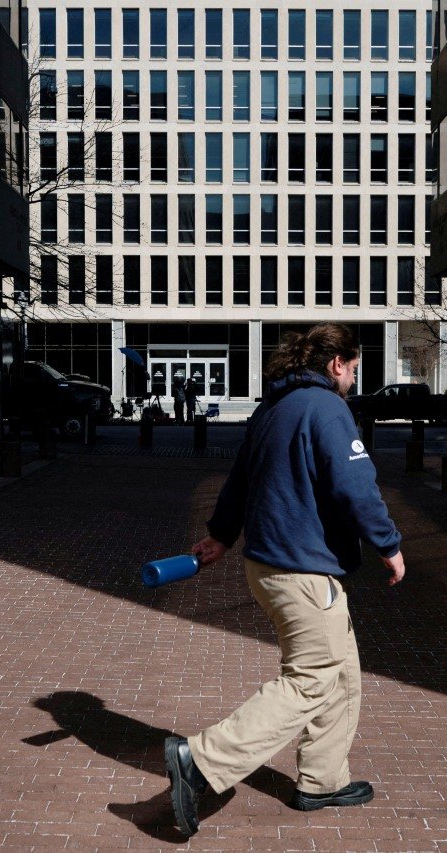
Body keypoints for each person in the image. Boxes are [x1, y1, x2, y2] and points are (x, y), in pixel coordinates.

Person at [164, 323, 405, 838]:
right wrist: (388, 544)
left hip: (271, 564)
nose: (353, 381)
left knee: (342, 674)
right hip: (304, 568)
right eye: (354, 370)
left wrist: (222, 535)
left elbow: (240, 480)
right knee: (311, 677)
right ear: (336, 363)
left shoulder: (272, 408)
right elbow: (356, 484)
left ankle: (322, 781)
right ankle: (200, 760)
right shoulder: (327, 408)